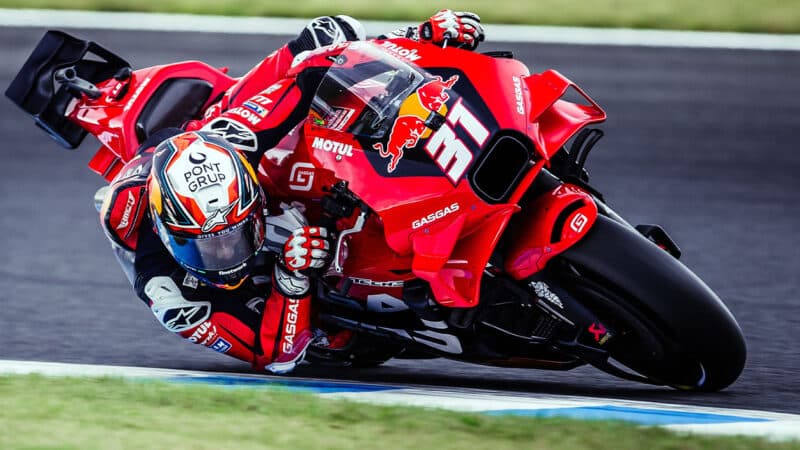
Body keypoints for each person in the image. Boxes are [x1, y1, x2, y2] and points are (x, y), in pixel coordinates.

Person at [98, 10, 485, 374]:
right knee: (334, 341)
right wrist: (291, 277)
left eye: (237, 236)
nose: (229, 255)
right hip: (287, 302)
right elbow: (274, 356)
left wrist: (416, 38)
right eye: (211, 247)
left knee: (330, 34)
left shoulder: (237, 138)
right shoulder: (173, 297)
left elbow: (322, 69)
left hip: (221, 137)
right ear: (171, 236)